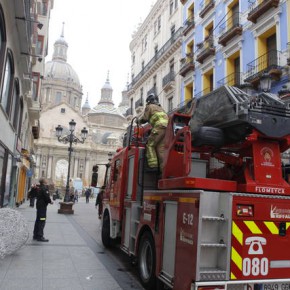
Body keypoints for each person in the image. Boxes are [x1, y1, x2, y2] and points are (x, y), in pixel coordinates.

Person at [138, 93, 169, 172]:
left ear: (149, 101)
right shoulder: (161, 108)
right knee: (160, 149)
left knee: (150, 145)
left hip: (159, 127)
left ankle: (153, 166)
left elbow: (145, 118)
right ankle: (163, 171)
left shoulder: (149, 107)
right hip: (167, 129)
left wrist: (138, 121)